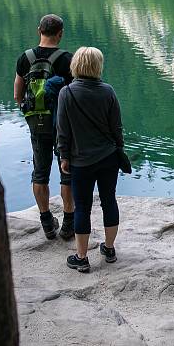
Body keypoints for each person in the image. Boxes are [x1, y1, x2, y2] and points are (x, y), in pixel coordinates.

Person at [57, 47, 123, 273]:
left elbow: (63, 131)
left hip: (80, 161)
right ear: (97, 66)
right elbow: (116, 128)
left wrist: (64, 156)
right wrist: (119, 149)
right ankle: (110, 248)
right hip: (108, 158)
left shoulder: (66, 93)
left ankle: (82, 257)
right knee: (109, 200)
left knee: (82, 207)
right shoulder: (108, 91)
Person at [14, 14, 75, 240]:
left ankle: (47, 221)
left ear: (39, 29)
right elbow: (74, 95)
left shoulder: (25, 58)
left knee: (40, 172)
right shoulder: (66, 59)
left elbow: (17, 93)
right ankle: (69, 223)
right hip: (62, 125)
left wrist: (26, 108)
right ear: (60, 33)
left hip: (36, 123)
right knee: (66, 171)